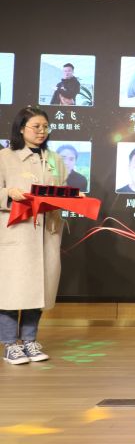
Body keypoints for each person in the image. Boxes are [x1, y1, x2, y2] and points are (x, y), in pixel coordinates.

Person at [0, 106, 65, 365]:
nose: (41, 131)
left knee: (38, 291)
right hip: (16, 234)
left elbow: (60, 190)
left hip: (46, 234)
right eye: (36, 126)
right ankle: (9, 344)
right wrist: (8, 193)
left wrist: (71, 198)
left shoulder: (54, 158)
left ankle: (29, 341)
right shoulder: (5, 157)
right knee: (10, 292)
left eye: (45, 127)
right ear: (21, 128)